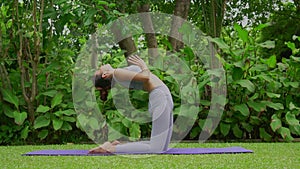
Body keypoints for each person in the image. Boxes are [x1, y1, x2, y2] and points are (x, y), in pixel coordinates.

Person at [89, 55, 173, 154]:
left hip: (161, 97)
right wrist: (143, 66)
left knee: (161, 146)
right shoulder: (116, 73)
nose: (101, 66)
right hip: (161, 98)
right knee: (156, 149)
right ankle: (111, 149)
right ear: (104, 75)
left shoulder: (118, 74)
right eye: (99, 69)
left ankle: (118, 146)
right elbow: (145, 77)